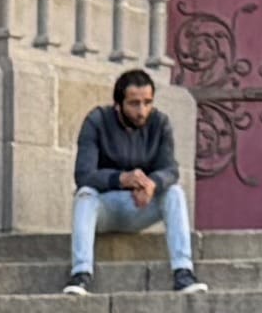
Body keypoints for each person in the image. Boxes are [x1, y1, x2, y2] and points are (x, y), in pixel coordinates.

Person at [69, 68, 200, 296]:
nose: (142, 111)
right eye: (134, 103)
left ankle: (183, 273)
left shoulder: (159, 122)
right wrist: (122, 179)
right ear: (118, 104)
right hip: (105, 208)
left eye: (147, 102)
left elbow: (171, 169)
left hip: (141, 206)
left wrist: (152, 184)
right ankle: (81, 274)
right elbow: (83, 174)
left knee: (174, 192)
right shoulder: (97, 120)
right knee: (85, 195)